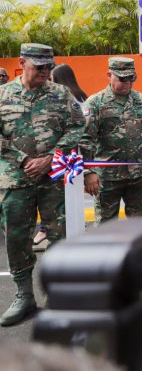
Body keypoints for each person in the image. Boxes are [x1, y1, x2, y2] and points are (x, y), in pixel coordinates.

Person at [0, 43, 85, 326]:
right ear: (22, 63)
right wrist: (23, 160)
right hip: (15, 179)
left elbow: (77, 127)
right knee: (16, 238)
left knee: (59, 236)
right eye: (39, 68)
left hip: (52, 179)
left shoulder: (61, 94)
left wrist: (52, 157)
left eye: (49, 67)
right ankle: (24, 296)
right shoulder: (3, 95)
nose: (45, 72)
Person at [80, 57, 142, 225]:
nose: (127, 83)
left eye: (131, 78)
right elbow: (85, 139)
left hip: (137, 176)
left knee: (139, 227)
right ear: (109, 75)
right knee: (106, 226)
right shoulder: (96, 103)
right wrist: (88, 172)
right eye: (122, 78)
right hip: (107, 178)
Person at [30, 63, 89, 253]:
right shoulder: (81, 97)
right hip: (71, 156)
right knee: (63, 199)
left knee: (56, 199)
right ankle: (58, 234)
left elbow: (79, 127)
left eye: (52, 77)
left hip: (65, 156)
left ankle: (48, 232)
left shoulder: (68, 98)